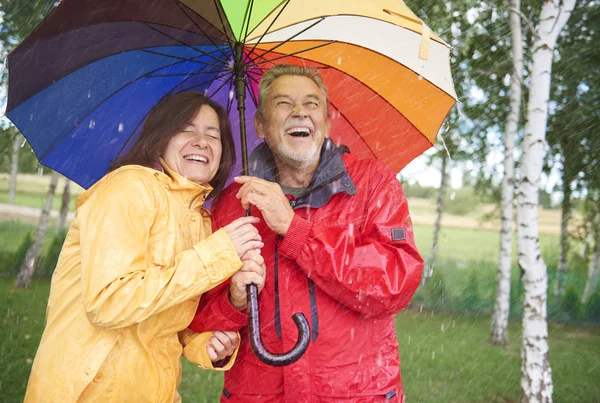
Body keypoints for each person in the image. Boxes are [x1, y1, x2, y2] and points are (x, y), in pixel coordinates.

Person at [189, 64, 424, 402]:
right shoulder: (231, 204)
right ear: (260, 124)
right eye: (283, 103)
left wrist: (295, 230)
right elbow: (198, 315)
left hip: (357, 395)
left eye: (312, 104)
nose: (299, 112)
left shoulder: (374, 183)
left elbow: (395, 285)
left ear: (326, 122)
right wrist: (234, 301)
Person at [23, 92, 266, 402]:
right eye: (187, 129)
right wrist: (217, 253)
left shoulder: (200, 221)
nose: (201, 141)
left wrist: (203, 344)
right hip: (87, 391)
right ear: (161, 138)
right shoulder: (127, 188)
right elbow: (109, 302)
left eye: (213, 135)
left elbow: (165, 314)